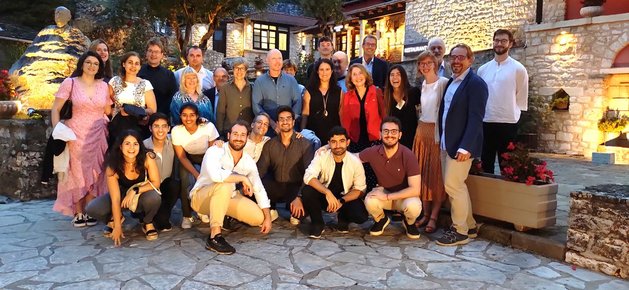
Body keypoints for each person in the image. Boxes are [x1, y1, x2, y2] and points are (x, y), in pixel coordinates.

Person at [190, 120, 273, 254]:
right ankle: (214, 237)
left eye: (242, 135)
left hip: (228, 197)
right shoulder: (215, 150)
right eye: (235, 134)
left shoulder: (247, 160)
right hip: (201, 198)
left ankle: (224, 215)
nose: (239, 138)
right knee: (224, 186)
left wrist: (267, 217)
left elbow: (258, 187)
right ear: (228, 135)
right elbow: (216, 176)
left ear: (247, 137)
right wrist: (242, 178)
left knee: (258, 218)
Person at [51, 51, 112, 227]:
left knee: (96, 172)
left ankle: (90, 210)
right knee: (76, 172)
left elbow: (108, 111)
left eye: (96, 64)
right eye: (88, 62)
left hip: (99, 133)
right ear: (82, 64)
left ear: (100, 67)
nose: (92, 66)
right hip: (75, 134)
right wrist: (58, 130)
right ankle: (78, 212)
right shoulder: (70, 83)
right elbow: (56, 109)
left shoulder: (103, 86)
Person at [437, 43, 488, 246]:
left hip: (461, 147)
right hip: (447, 143)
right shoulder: (452, 82)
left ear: (470, 59)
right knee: (456, 186)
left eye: (461, 57)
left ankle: (460, 231)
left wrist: (466, 147)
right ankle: (470, 225)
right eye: (453, 57)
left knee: (453, 185)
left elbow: (476, 118)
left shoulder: (476, 84)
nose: (456, 61)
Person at [86, 130, 162, 245]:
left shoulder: (147, 158)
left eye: (135, 144)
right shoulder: (113, 165)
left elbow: (156, 183)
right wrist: (117, 226)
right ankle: (117, 218)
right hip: (121, 196)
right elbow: (115, 199)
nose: (131, 147)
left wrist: (135, 191)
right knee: (92, 208)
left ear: (140, 146)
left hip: (140, 195)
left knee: (154, 197)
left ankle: (147, 222)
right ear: (120, 146)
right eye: (127, 143)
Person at [301, 126, 368, 238]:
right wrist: (327, 192)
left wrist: (341, 201)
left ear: (348, 142)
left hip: (344, 198)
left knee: (361, 216)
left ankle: (343, 218)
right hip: (325, 197)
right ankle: (318, 223)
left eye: (341, 141)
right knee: (308, 191)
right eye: (333, 142)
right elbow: (308, 176)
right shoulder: (322, 156)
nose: (337, 146)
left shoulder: (355, 162)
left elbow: (360, 189)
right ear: (329, 143)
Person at [361, 117, 422, 239]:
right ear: (380, 134)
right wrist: (327, 148)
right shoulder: (373, 151)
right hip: (385, 192)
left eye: (394, 131)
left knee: (414, 207)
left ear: (400, 135)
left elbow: (415, 190)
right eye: (386, 131)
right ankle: (381, 220)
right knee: (370, 200)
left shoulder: (408, 155)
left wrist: (387, 196)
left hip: (404, 197)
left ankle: (409, 223)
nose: (390, 135)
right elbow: (351, 157)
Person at [478, 29, 529, 174]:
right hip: (486, 121)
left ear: (510, 44)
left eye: (503, 41)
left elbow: (521, 96)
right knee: (485, 164)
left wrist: (515, 115)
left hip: (508, 123)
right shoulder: (483, 69)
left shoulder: (518, 69)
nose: (499, 44)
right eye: (497, 40)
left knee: (507, 166)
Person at [412, 51, 449, 233]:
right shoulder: (423, 84)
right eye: (422, 63)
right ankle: (425, 214)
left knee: (436, 175)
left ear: (435, 64)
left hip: (436, 133)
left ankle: (433, 217)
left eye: (428, 62)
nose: (425, 66)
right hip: (422, 131)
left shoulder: (443, 83)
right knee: (422, 173)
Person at [257, 106, 314, 224]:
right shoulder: (270, 144)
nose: (285, 122)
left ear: (293, 122)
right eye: (281, 119)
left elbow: (310, 173)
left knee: (299, 216)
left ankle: (292, 206)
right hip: (276, 186)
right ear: (277, 123)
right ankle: (270, 208)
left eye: (288, 119)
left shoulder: (305, 144)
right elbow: (260, 170)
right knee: (258, 183)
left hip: (295, 188)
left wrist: (299, 196)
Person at [171, 103, 221, 228]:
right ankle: (187, 215)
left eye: (192, 115)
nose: (188, 119)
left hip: (207, 156)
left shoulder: (208, 127)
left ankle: (203, 210)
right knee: (186, 181)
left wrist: (204, 173)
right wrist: (196, 174)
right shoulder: (177, 130)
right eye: (184, 115)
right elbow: (181, 156)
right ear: (180, 116)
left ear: (197, 116)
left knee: (209, 181)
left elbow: (212, 152)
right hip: (187, 158)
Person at [108, 51, 157, 142]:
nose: (133, 66)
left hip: (137, 127)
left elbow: (152, 109)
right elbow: (107, 106)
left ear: (140, 67)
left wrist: (134, 111)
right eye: (130, 62)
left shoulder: (145, 84)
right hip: (117, 127)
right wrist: (118, 112)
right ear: (124, 64)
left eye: (136, 63)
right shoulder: (114, 81)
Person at [144, 113, 179, 231]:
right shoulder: (143, 146)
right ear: (150, 128)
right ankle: (145, 216)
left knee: (174, 184)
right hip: (150, 189)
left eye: (164, 126)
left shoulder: (173, 141)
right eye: (156, 126)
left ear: (169, 128)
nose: (160, 130)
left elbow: (189, 134)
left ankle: (162, 216)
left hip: (166, 187)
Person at [252, 49, 302, 134]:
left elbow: (298, 102)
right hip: (267, 129)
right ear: (267, 61)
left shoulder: (291, 80)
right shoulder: (259, 82)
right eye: (274, 58)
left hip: (289, 129)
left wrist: (289, 121)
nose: (277, 61)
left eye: (279, 58)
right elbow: (257, 107)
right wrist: (272, 124)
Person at [341, 63, 385, 152]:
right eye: (354, 74)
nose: (358, 77)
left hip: (375, 137)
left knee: (373, 165)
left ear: (365, 74)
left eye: (360, 73)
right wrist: (346, 137)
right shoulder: (347, 96)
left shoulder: (376, 91)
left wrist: (383, 131)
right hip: (355, 139)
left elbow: (384, 113)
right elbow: (345, 119)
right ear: (350, 78)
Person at [301, 59, 342, 142]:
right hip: (314, 134)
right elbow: (305, 114)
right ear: (317, 71)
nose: (324, 72)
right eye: (321, 69)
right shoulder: (309, 91)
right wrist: (302, 132)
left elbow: (341, 113)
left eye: (327, 69)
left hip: (333, 134)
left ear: (331, 71)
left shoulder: (339, 91)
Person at [138, 37, 178, 117]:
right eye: (150, 51)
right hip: (140, 116)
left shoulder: (169, 75)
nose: (153, 54)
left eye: (156, 52)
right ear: (146, 53)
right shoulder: (138, 72)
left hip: (161, 118)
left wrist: (158, 115)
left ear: (162, 55)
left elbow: (172, 97)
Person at [383, 65, 420, 149]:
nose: (395, 77)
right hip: (393, 139)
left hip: (412, 139)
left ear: (403, 76)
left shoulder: (413, 92)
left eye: (398, 74)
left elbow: (420, 113)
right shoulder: (386, 95)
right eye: (392, 75)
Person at [216, 58, 254, 134]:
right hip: (229, 131)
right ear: (233, 70)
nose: (239, 71)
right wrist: (220, 133)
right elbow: (220, 112)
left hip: (247, 131)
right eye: (236, 68)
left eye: (242, 68)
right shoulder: (225, 88)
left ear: (246, 71)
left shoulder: (253, 87)